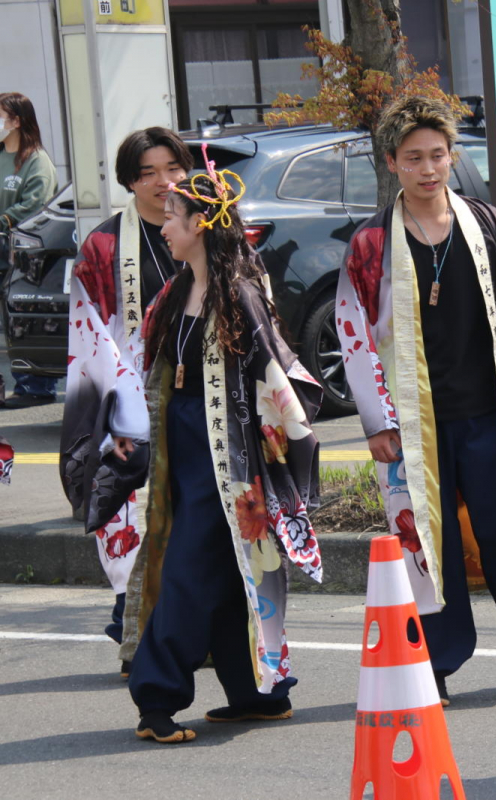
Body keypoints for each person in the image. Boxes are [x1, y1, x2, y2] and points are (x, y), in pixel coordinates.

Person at [336, 96, 496, 707]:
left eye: (438, 155)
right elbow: (353, 332)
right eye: (413, 157)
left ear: (453, 156)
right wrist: (375, 421)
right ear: (392, 163)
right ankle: (437, 662)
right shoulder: (370, 244)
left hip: (489, 410)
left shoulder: (486, 224)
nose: (427, 168)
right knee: (427, 542)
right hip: (413, 423)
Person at [114, 157, 323, 744]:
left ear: (201, 225)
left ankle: (156, 698)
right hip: (183, 452)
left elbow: (279, 383)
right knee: (232, 576)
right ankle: (258, 694)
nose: (164, 225)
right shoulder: (180, 288)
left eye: (173, 216)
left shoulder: (239, 296)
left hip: (223, 460)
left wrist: (291, 446)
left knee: (188, 573)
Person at [59, 127, 193, 675]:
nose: (163, 183)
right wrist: (117, 409)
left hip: (194, 395)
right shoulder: (106, 246)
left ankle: (189, 633)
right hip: (130, 400)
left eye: (172, 169)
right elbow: (91, 334)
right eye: (147, 173)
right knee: (130, 518)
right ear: (129, 181)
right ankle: (133, 632)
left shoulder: (206, 226)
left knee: (194, 517)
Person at [0, 92, 59, 407]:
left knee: (20, 318)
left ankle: (35, 387)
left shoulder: (37, 160)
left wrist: (4, 220)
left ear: (17, 120)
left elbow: (33, 204)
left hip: (22, 252)